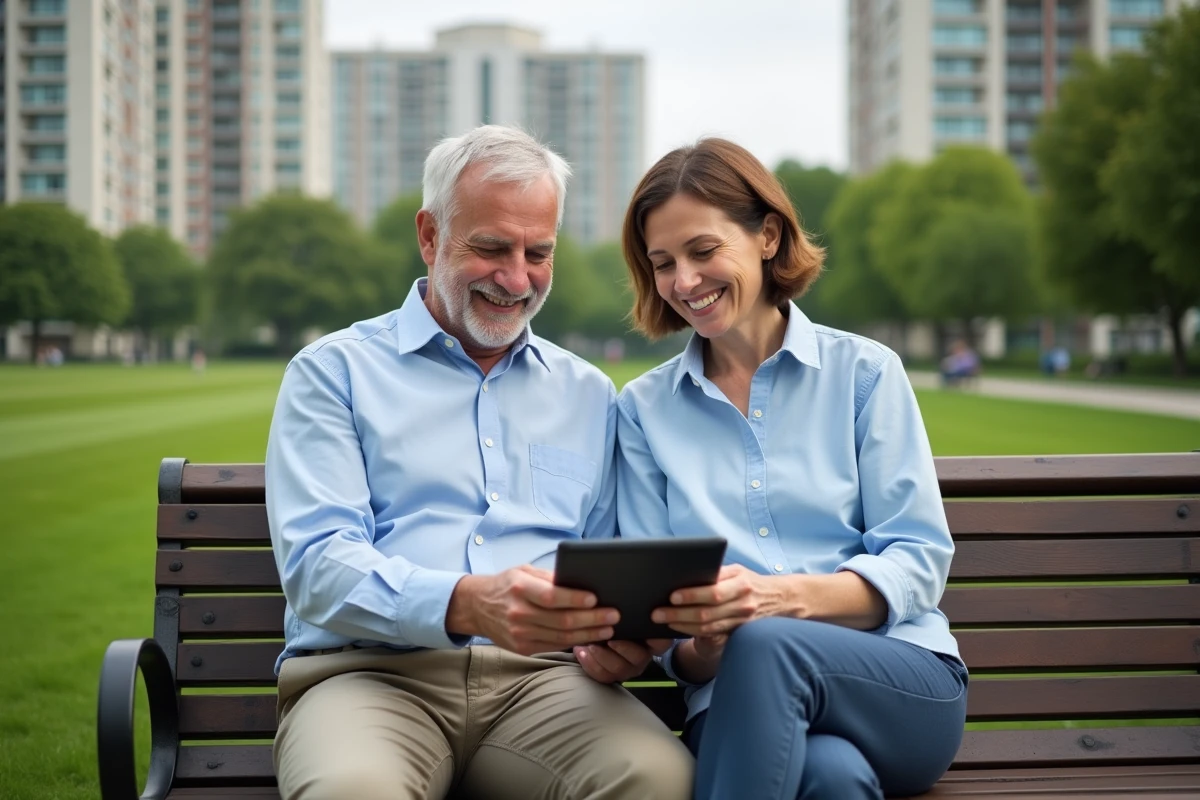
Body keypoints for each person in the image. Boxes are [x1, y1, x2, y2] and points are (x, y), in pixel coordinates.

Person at [266, 125, 693, 800]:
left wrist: (623, 639)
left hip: (548, 683)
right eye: (492, 247)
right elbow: (318, 568)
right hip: (367, 678)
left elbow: (615, 562)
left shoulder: (588, 393)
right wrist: (468, 603)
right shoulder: (333, 374)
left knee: (655, 778)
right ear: (431, 236)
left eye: (538, 252)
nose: (516, 277)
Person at [609, 138, 968, 800]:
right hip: (729, 701)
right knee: (831, 779)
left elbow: (917, 559)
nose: (684, 281)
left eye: (703, 251)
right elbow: (666, 638)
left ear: (768, 235)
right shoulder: (642, 412)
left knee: (767, 644)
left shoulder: (865, 373)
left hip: (900, 683)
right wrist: (709, 645)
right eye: (663, 264)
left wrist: (774, 603)